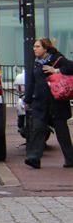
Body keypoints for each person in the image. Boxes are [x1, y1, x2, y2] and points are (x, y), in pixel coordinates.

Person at [23, 36, 73, 169]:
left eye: (37, 46)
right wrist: (27, 99)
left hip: (57, 103)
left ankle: (70, 159)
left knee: (62, 133)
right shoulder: (36, 63)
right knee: (38, 129)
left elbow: (71, 67)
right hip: (41, 103)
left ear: (45, 48)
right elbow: (32, 82)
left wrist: (56, 70)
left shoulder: (58, 59)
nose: (34, 49)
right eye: (34, 46)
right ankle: (33, 158)